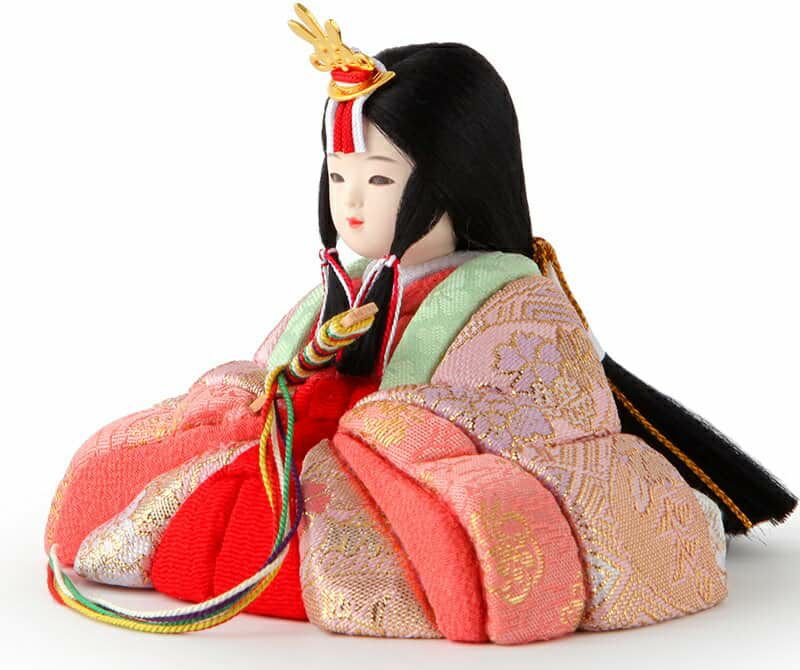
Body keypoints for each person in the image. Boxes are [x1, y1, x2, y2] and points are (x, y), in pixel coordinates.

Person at [45, 4, 795, 643]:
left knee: (416, 543)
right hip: (312, 453)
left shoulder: (516, 302)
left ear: (454, 180)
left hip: (396, 470)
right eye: (339, 174)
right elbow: (280, 373)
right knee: (153, 483)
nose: (351, 202)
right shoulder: (344, 284)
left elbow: (538, 414)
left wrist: (401, 425)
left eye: (379, 178)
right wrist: (272, 393)